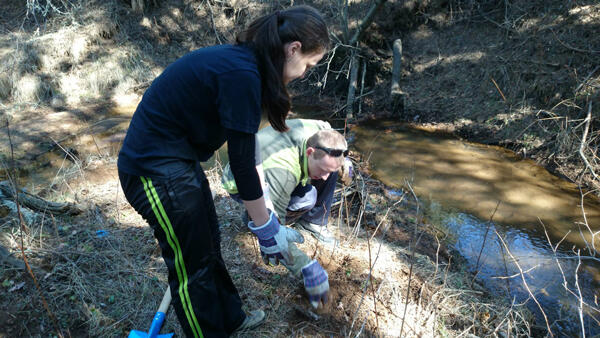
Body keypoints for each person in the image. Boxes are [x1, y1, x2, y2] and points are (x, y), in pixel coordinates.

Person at [117, 6, 330, 337]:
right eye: (309, 64)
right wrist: (264, 227)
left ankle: (231, 321)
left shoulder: (252, 68)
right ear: (293, 49)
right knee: (190, 266)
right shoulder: (242, 74)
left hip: (178, 161)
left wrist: (268, 220)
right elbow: (242, 164)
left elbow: (251, 152)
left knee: (209, 244)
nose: (304, 73)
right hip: (150, 170)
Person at [222, 119, 352, 245]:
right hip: (241, 182)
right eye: (322, 170)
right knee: (307, 198)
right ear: (310, 152)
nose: (325, 178)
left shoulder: (320, 134)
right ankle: (251, 218)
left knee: (332, 167)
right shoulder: (284, 171)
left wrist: (345, 162)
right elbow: (271, 213)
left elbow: (329, 130)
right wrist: (272, 232)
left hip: (271, 164)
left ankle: (313, 221)